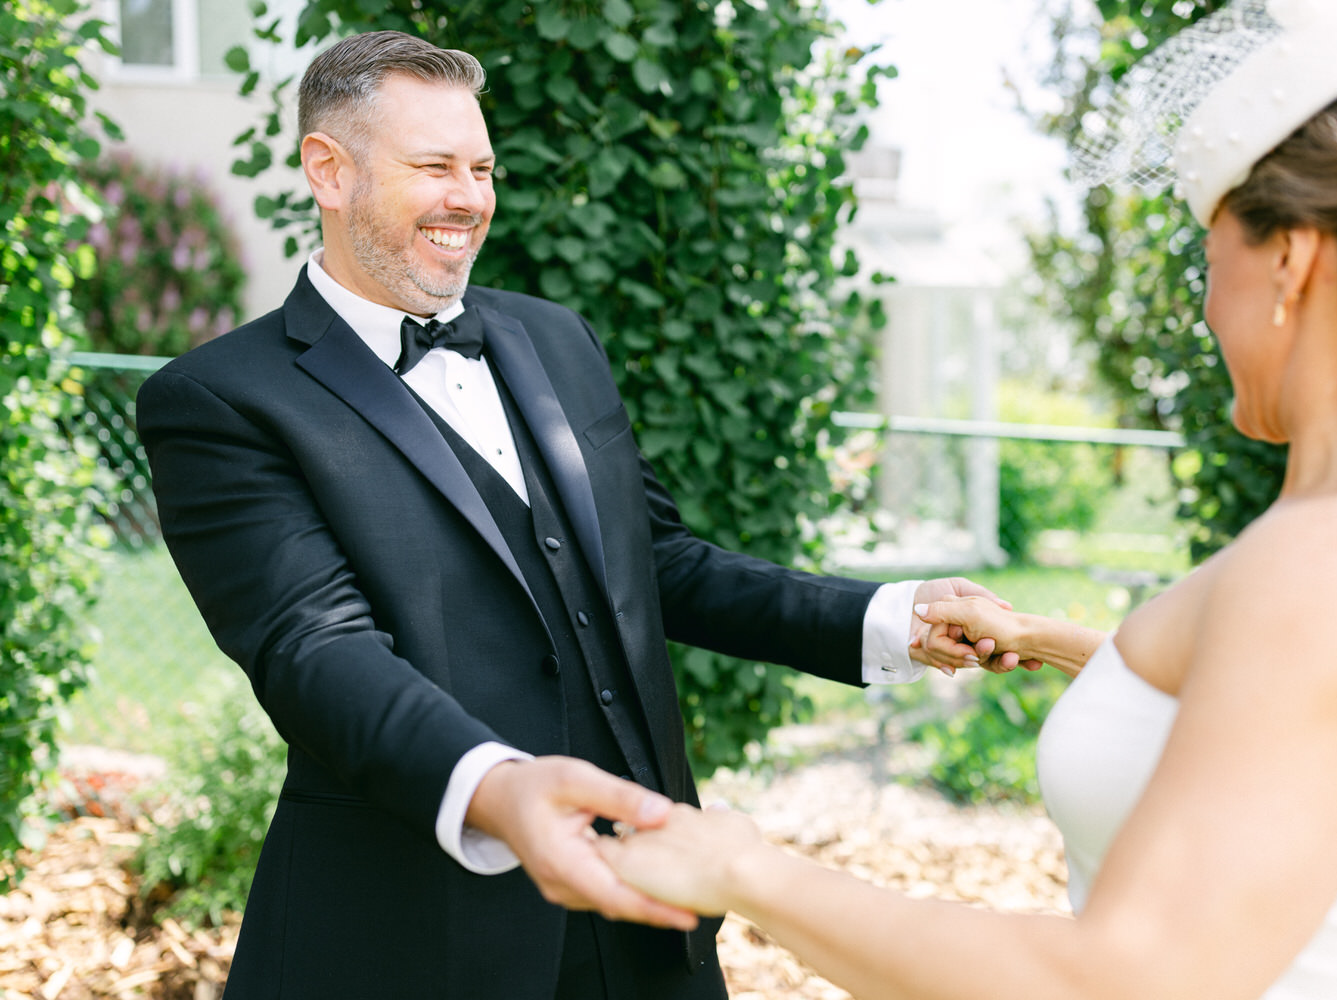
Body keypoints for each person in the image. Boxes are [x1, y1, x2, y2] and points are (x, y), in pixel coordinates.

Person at [600, 3, 1337, 998]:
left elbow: (1111, 981)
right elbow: (1292, 708)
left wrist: (743, 866)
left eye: (1212, 263)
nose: (1208, 311)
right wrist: (1055, 640)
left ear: (1288, 259)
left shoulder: (1336, 564)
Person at [135, 29, 999, 1000]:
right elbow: (315, 648)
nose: (469, 197)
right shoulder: (221, 399)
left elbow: (657, 564)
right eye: (434, 167)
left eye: (482, 167)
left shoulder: (555, 340)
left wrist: (886, 616)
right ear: (329, 172)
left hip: (647, 914)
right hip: (412, 937)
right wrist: (500, 791)